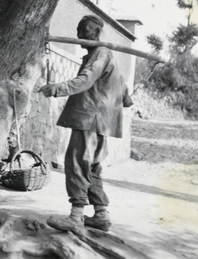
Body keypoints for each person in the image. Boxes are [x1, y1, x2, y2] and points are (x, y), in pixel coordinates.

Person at [39, 15, 133, 233]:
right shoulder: (103, 55)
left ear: (97, 32)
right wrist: (125, 97)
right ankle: (101, 214)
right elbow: (124, 93)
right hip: (101, 121)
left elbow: (86, 80)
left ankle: (76, 216)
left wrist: (57, 88)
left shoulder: (100, 53)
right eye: (78, 29)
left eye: (84, 30)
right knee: (92, 167)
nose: (79, 34)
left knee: (77, 162)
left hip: (90, 118)